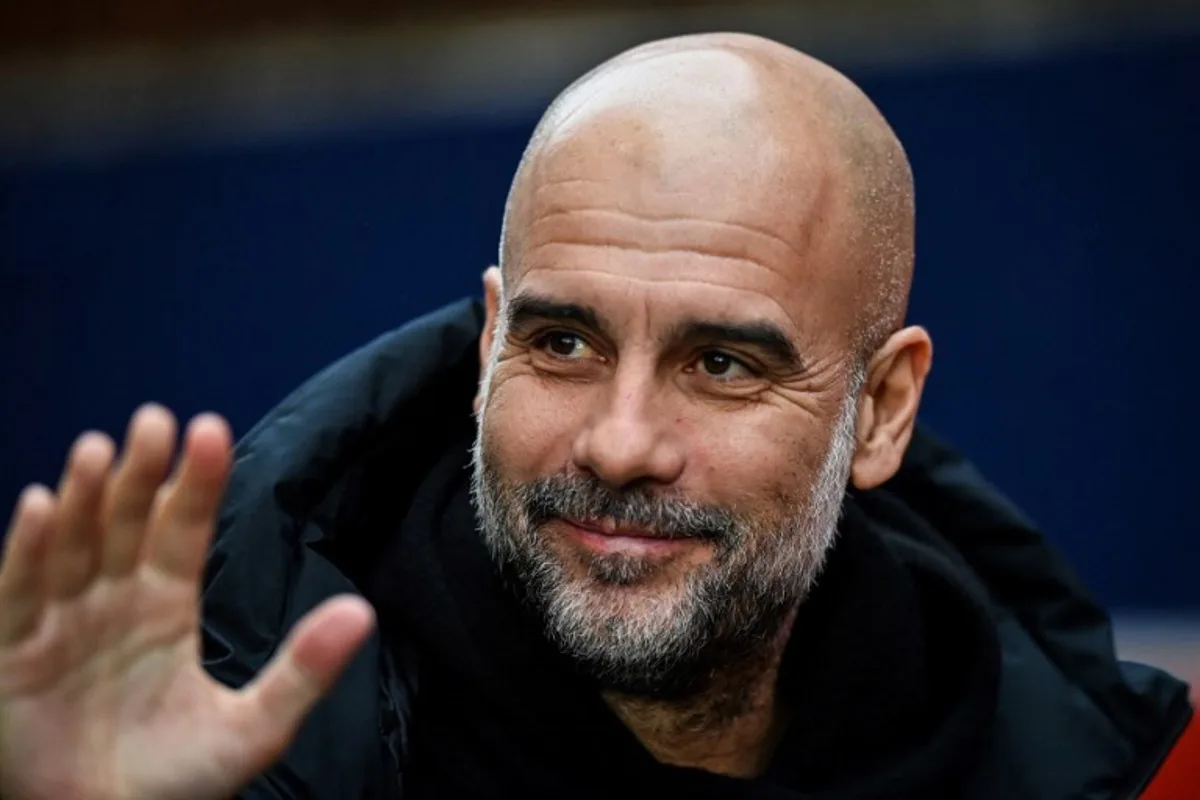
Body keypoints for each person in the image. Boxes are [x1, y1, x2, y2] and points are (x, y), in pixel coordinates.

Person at [0, 32, 1190, 800]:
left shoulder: (1117, 772)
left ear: (879, 410)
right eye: (562, 343)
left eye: (723, 363)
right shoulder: (220, 747)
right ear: (487, 347)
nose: (620, 442)